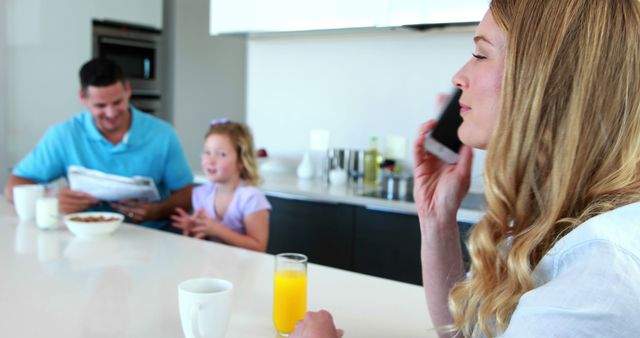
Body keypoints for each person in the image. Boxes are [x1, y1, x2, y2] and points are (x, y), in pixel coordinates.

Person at [291, 0, 640, 337]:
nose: (458, 76)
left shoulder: (598, 283)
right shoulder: (549, 218)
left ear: (547, 81)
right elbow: (467, 333)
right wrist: (436, 219)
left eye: (480, 54)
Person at [4, 58, 194, 232]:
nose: (111, 113)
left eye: (117, 102)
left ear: (128, 90)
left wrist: (156, 211)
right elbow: (14, 185)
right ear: (83, 98)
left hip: (152, 237)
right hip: (84, 239)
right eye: (100, 106)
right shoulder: (64, 135)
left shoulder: (162, 135)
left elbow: (187, 195)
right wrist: (50, 197)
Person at [171, 119, 271, 252]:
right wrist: (193, 230)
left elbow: (259, 248)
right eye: (207, 152)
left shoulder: (251, 197)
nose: (210, 160)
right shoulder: (201, 194)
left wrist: (217, 229)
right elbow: (202, 243)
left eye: (221, 154)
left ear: (241, 161)